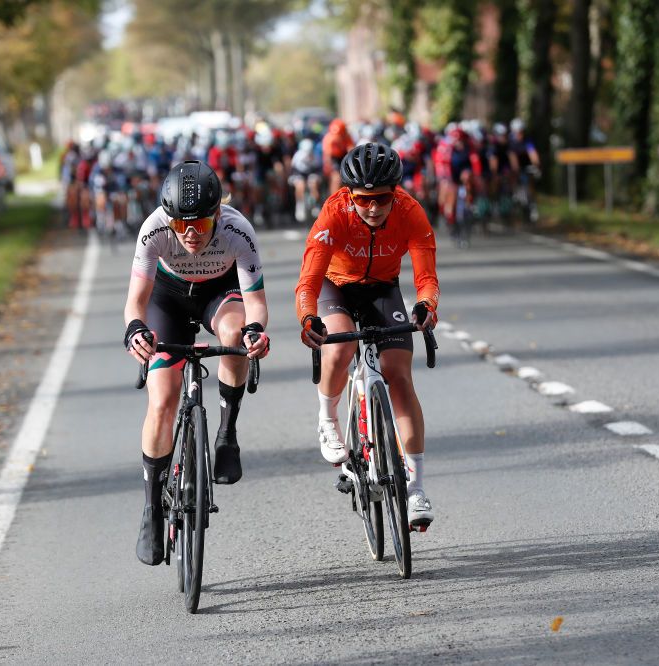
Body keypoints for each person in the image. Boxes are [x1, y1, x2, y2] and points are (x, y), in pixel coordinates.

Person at [123, 160, 271, 565]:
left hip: (217, 295)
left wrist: (255, 330)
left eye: (200, 226)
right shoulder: (153, 228)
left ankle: (226, 431)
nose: (189, 235)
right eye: (180, 226)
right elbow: (136, 300)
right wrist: (135, 328)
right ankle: (153, 508)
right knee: (162, 399)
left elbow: (255, 301)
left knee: (234, 335)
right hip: (166, 300)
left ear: (217, 215)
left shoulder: (237, 229)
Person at [295, 143, 440, 529]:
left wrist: (426, 305)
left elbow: (426, 279)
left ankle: (416, 488)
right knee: (340, 344)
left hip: (381, 287)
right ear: (350, 195)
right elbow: (308, 283)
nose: (373, 208)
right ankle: (327, 417)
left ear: (396, 193)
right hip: (335, 287)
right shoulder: (334, 214)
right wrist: (309, 317)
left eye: (382, 199)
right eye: (364, 200)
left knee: (400, 375)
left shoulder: (410, 213)